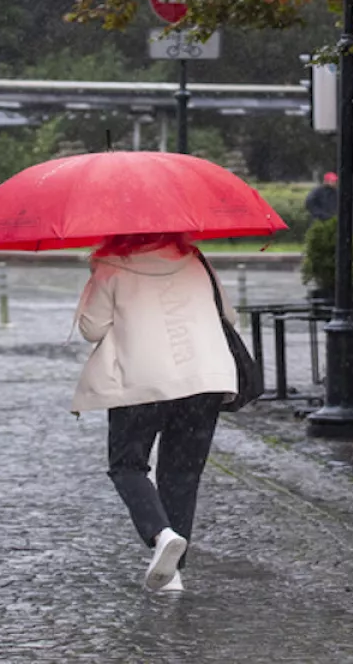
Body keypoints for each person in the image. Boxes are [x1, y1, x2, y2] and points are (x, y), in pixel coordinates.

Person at [72, 231, 239, 593]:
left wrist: (95, 278)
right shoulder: (196, 260)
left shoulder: (111, 267)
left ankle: (161, 536)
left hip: (141, 383)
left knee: (127, 465)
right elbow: (228, 314)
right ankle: (172, 572)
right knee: (181, 475)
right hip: (202, 381)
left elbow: (91, 329)